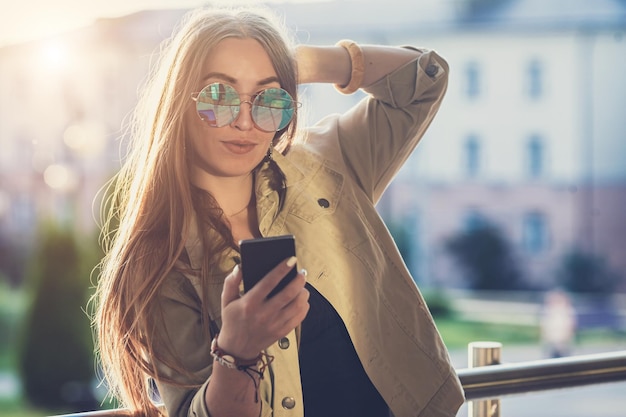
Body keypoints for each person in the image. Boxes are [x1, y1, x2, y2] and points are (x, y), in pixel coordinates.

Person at [93, 4, 464, 417]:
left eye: (268, 98)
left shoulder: (327, 164)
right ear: (181, 102)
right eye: (220, 96)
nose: (246, 121)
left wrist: (298, 63)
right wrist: (238, 352)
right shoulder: (161, 257)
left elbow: (425, 81)